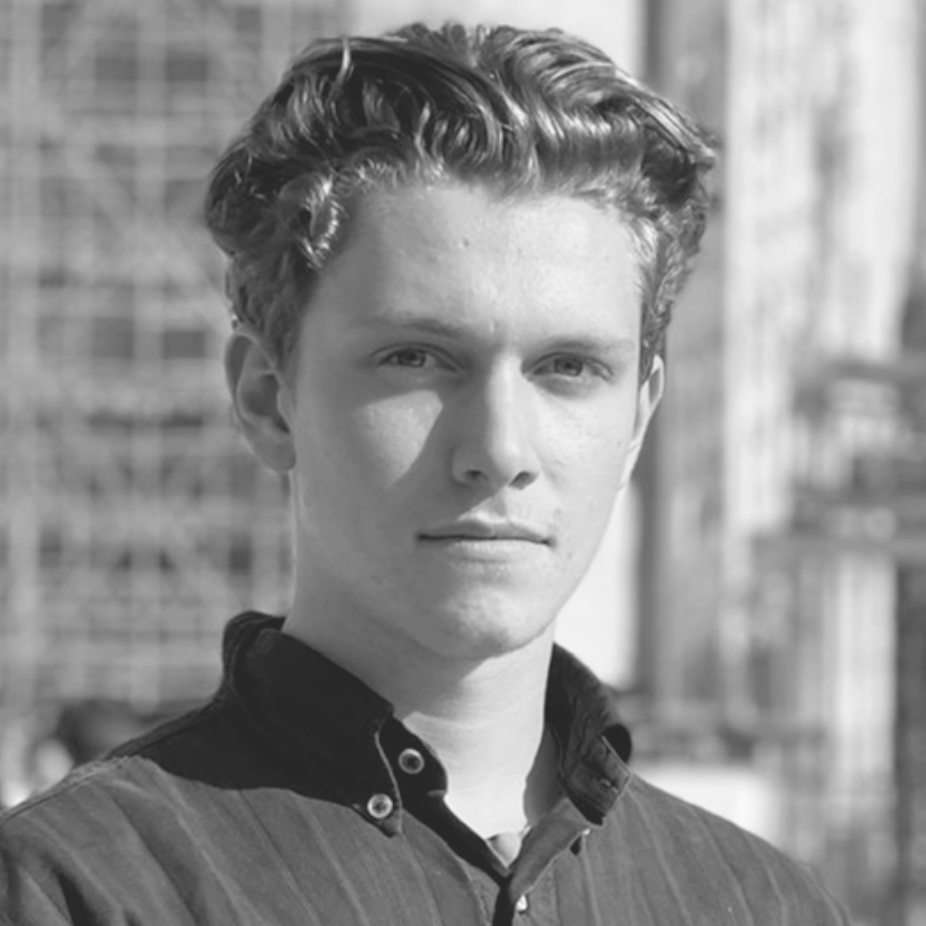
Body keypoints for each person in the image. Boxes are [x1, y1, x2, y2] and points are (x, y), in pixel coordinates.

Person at [0, 21, 851, 926]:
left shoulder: (766, 907)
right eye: (416, 358)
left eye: (568, 368)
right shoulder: (80, 890)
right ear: (267, 399)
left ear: (638, 417)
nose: (501, 449)